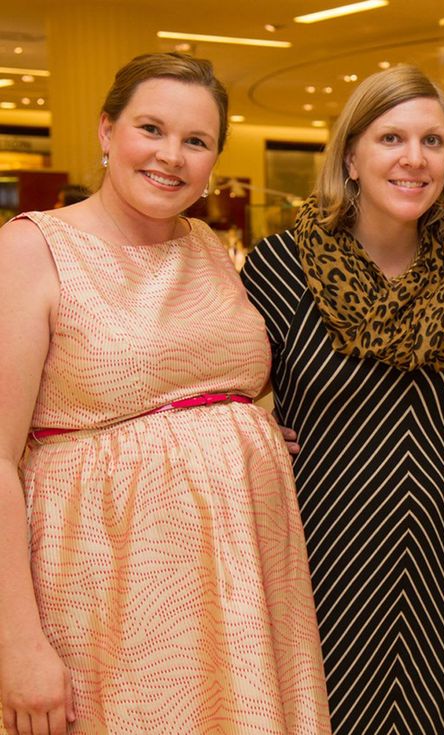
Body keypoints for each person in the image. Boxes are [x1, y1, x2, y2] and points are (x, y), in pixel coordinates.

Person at [0, 53, 330, 733]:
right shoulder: (32, 250)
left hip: (241, 585)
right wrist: (17, 645)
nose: (171, 156)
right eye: (151, 128)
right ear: (105, 131)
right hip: (108, 585)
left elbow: (202, 384)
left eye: (196, 141)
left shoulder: (207, 242)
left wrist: (249, 433)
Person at [240, 65, 444, 735]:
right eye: (391, 138)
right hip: (322, 556)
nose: (414, 158)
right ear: (351, 154)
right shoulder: (281, 265)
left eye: (432, 141)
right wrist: (251, 432)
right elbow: (214, 386)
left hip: (437, 557)